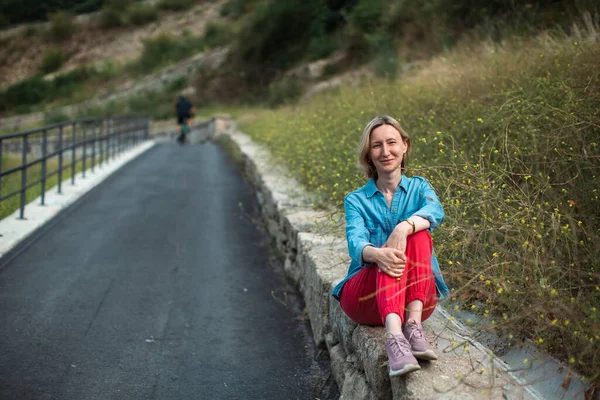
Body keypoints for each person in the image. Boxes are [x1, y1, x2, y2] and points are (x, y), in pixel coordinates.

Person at [332, 115, 450, 377]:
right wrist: (377, 254)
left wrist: (403, 227)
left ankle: (412, 327)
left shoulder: (420, 187)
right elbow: (356, 242)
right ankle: (395, 339)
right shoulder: (356, 200)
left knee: (419, 233)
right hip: (365, 298)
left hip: (415, 301)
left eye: (392, 142)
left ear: (405, 146)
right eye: (377, 145)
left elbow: (436, 211)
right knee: (388, 253)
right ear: (369, 154)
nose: (385, 152)